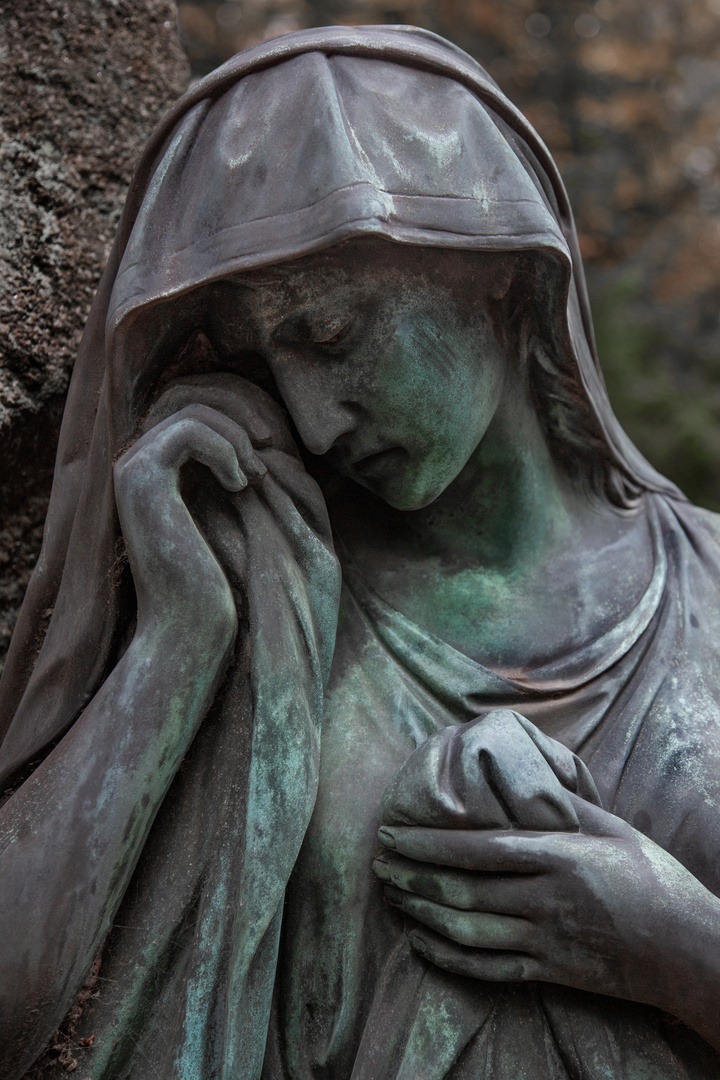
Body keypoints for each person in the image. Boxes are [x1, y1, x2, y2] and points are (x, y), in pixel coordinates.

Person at [1, 24, 720, 1080]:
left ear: (497, 274)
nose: (310, 414)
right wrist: (175, 646)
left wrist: (674, 949)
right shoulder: (267, 596)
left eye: (332, 337)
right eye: (264, 362)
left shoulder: (709, 586)